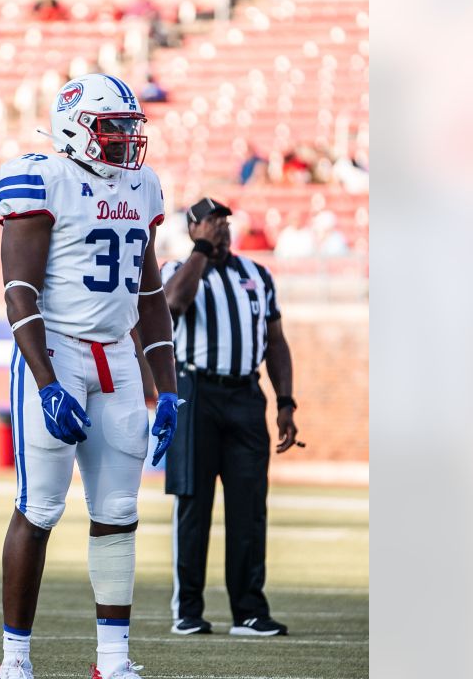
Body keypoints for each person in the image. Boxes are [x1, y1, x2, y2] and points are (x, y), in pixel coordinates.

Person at [0, 74, 180, 679]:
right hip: (58, 351)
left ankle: (113, 661)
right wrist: (46, 381)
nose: (127, 138)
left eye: (131, 126)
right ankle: (16, 660)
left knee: (120, 510)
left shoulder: (143, 184)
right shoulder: (45, 178)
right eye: (113, 126)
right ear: (76, 127)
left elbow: (149, 291)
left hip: (118, 361)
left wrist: (169, 386)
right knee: (40, 507)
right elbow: (20, 291)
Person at [160, 197, 306, 638]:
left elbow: (276, 341)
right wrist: (200, 252)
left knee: (249, 508)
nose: (220, 228)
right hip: (196, 392)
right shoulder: (175, 270)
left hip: (245, 395)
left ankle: (249, 610)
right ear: (192, 229)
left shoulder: (257, 276)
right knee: (194, 505)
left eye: (224, 221)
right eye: (210, 222)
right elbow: (173, 305)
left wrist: (285, 401)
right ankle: (188, 609)